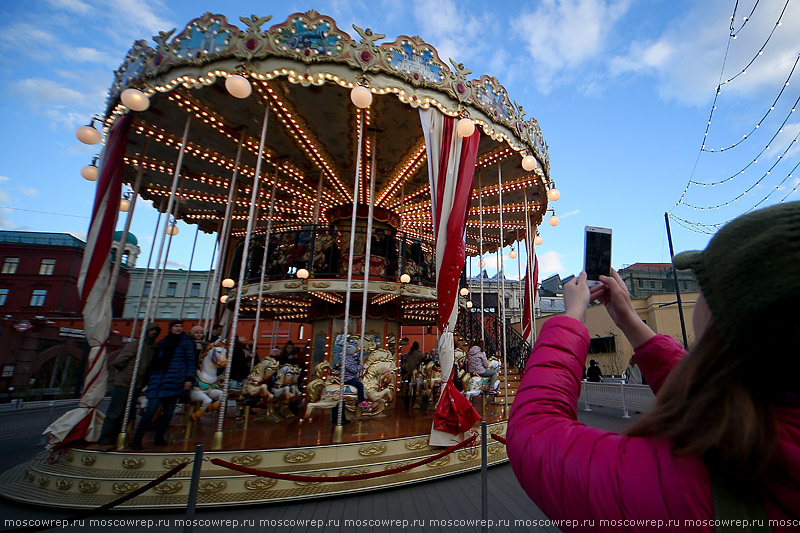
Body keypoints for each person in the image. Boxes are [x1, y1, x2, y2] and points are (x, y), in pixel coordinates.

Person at [507, 202, 800, 526]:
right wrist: (629, 319)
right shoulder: (772, 415)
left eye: (706, 288)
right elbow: (705, 391)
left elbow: (534, 432)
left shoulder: (681, 486)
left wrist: (572, 317)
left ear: (726, 319)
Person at [131, 319, 195, 450]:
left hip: (174, 381)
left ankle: (159, 437)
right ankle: (137, 438)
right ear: (170, 328)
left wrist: (189, 378)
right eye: (175, 326)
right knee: (150, 410)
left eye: (180, 326)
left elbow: (190, 361)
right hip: (159, 379)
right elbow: (154, 361)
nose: (178, 328)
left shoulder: (187, 343)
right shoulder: (162, 343)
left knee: (168, 412)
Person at [97, 323, 160, 449]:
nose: (153, 333)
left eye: (155, 331)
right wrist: (129, 372)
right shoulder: (135, 345)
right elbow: (118, 362)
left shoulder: (152, 347)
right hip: (126, 382)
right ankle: (106, 439)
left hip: (138, 384)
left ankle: (119, 436)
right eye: (151, 330)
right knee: (116, 411)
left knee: (129, 412)